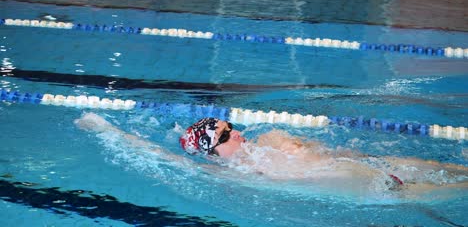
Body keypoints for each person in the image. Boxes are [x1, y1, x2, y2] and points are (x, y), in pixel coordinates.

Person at [76, 113, 468, 197]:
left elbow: (329, 151)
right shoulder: (232, 175)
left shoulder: (271, 143)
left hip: (376, 164)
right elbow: (162, 158)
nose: (241, 131)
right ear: (215, 150)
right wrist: (108, 130)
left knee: (451, 169)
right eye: (230, 132)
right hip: (382, 188)